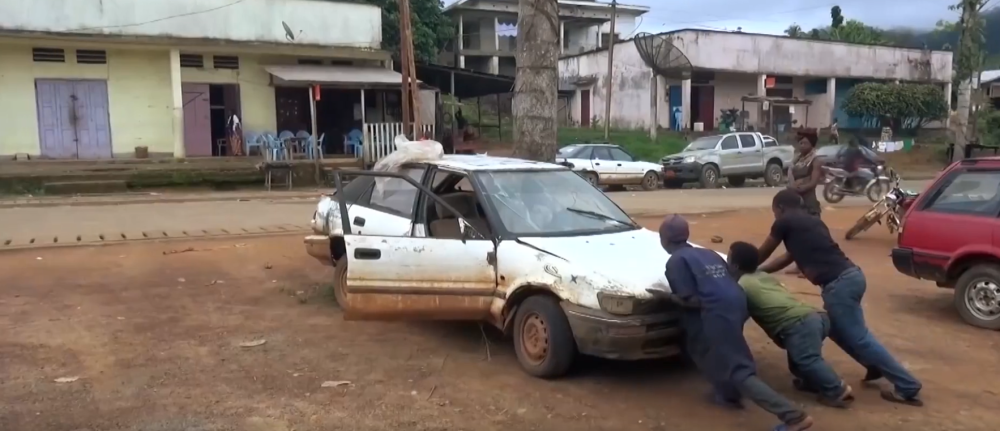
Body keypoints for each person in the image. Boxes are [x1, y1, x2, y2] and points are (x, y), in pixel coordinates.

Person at [756, 190, 924, 407]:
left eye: (775, 212)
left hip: (838, 285)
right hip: (851, 276)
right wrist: (760, 271)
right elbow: (789, 257)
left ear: (779, 208)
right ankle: (873, 365)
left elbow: (765, 250)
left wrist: (747, 267)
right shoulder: (813, 222)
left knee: (859, 337)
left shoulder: (784, 221)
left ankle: (907, 385)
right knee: (834, 329)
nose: (775, 216)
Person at [648, 215, 814, 431]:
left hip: (718, 311)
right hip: (737, 303)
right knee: (703, 347)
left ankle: (793, 416)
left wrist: (665, 297)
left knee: (739, 369)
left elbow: (691, 301)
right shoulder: (707, 253)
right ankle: (728, 394)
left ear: (664, 239)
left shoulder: (676, 261)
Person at [727, 241, 854, 408]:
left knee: (807, 359)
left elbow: (739, 314)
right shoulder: (761, 275)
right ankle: (813, 383)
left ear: (735, 266)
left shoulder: (741, 286)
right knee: (798, 358)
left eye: (728, 260)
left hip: (798, 323)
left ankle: (836, 390)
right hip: (815, 316)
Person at [787, 129, 824, 218]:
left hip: (809, 204)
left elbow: (813, 183)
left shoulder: (816, 160)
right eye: (800, 143)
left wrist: (799, 188)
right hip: (795, 203)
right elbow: (790, 176)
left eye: (805, 143)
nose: (802, 146)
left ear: (812, 144)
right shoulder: (797, 160)